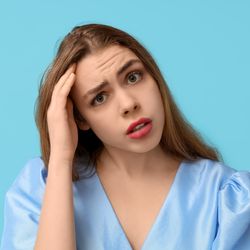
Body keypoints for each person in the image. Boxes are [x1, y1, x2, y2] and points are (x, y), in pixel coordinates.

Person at [0, 23, 249, 250]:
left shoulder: (227, 198)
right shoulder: (40, 189)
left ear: (154, 77)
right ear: (80, 118)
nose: (128, 104)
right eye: (99, 97)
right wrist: (61, 161)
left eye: (133, 77)